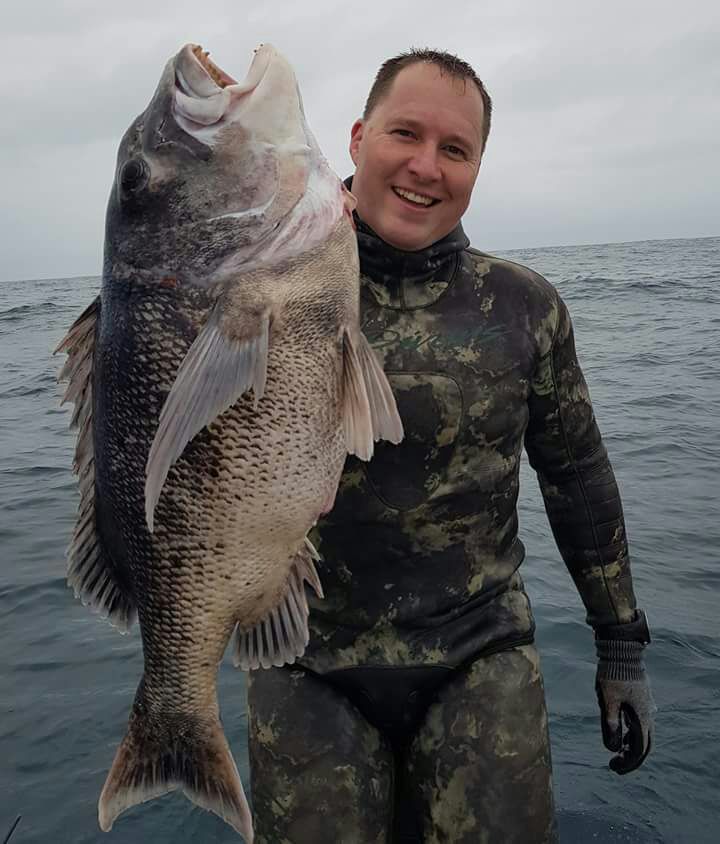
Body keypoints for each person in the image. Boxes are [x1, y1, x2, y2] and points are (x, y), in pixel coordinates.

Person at [247, 49, 654, 844]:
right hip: (304, 661)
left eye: (456, 149)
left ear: (478, 167)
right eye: (405, 134)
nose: (425, 167)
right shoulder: (261, 295)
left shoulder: (524, 307)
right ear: (358, 138)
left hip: (480, 655)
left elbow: (578, 478)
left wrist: (621, 645)